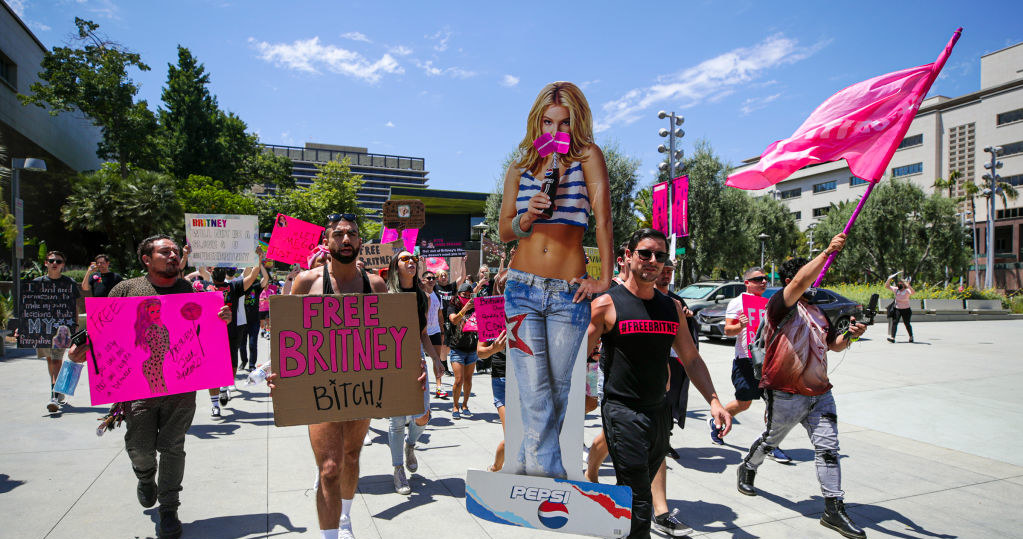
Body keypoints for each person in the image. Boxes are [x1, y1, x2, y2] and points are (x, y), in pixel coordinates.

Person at [266, 214, 424, 539]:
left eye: (352, 234)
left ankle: (346, 518)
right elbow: (286, 335)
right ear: (327, 242)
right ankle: (330, 535)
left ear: (360, 242)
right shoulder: (306, 283)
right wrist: (277, 374)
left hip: (361, 389)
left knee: (351, 456)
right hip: (318, 389)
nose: (346, 239)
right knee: (329, 468)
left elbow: (391, 336)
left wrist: (413, 369)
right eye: (338, 235)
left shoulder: (375, 286)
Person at [68, 235, 232, 539]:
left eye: (174, 251)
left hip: (182, 389)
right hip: (138, 388)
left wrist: (223, 317)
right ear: (147, 259)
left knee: (173, 447)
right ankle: (145, 476)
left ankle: (169, 508)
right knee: (140, 447)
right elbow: (103, 329)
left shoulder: (191, 291)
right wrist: (82, 346)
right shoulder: (126, 289)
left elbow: (206, 331)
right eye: (164, 251)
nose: (172, 255)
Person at [499, 81, 613, 478]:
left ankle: (529, 465)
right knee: (534, 392)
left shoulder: (589, 157)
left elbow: (603, 222)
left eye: (563, 124)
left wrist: (606, 278)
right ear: (536, 121)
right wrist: (526, 217)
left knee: (557, 392)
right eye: (547, 122)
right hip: (521, 288)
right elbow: (504, 232)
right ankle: (552, 481)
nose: (554, 132)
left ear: (576, 123)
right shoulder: (520, 165)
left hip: (570, 291)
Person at [587, 228, 731, 538]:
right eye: (645, 253)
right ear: (628, 256)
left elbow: (691, 359)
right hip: (622, 410)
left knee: (635, 493)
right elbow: (575, 358)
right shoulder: (606, 304)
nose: (653, 260)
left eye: (660, 256)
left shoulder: (672, 308)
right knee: (639, 498)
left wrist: (715, 401)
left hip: (659, 411)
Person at [735, 233, 868, 539]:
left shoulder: (819, 311)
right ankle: (748, 467)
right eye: (808, 275)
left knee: (828, 449)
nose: (815, 281)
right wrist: (827, 252)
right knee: (770, 439)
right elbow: (797, 285)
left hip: (820, 393)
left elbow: (833, 345)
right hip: (785, 391)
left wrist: (852, 335)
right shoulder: (780, 304)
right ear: (790, 280)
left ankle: (833, 508)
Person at [711, 266, 793, 463]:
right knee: (744, 403)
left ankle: (771, 444)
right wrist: (740, 325)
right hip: (746, 360)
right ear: (747, 282)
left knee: (772, 402)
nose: (763, 282)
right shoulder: (738, 303)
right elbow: (728, 331)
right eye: (758, 279)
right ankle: (717, 421)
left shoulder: (768, 303)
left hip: (769, 359)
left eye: (765, 279)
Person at [385, 250, 441, 495]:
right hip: (391, 360)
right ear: (395, 265)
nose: (411, 262)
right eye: (405, 258)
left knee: (423, 414)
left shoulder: (423, 297)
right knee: (397, 421)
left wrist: (436, 359)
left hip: (416, 358)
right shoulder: (385, 294)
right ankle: (398, 470)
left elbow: (423, 333)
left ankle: (411, 445)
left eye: (414, 259)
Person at [204, 258, 262, 417]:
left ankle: (225, 387)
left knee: (232, 362)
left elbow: (253, 276)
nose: (219, 268)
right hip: (210, 334)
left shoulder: (234, 286)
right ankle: (215, 404)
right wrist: (187, 257)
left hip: (232, 331)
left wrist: (258, 259)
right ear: (210, 270)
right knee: (213, 368)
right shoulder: (203, 287)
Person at [34, 250, 80, 413]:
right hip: (42, 327)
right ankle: (57, 387)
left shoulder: (69, 283)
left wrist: (74, 325)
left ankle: (53, 395)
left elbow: (74, 305)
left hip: (62, 328)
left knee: (56, 360)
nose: (55, 263)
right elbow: (29, 307)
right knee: (50, 360)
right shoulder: (37, 283)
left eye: (58, 261)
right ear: (46, 263)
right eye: (52, 260)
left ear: (63, 265)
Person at [478, 275, 508, 471]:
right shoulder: (491, 311)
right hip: (503, 378)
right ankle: (495, 468)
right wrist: (493, 350)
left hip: (529, 379)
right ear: (499, 288)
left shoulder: (532, 311)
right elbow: (480, 353)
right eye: (507, 285)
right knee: (513, 436)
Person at [446, 281, 479, 419]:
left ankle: (465, 404)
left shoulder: (476, 306)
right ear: (458, 294)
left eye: (469, 295)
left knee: (468, 379)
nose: (466, 297)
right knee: (458, 380)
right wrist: (465, 308)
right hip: (457, 348)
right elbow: (453, 320)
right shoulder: (453, 306)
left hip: (472, 348)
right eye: (464, 295)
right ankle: (455, 406)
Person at [421, 270, 448, 398]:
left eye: (433, 278)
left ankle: (439, 386)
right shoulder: (420, 295)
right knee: (419, 360)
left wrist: (442, 331)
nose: (431, 280)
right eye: (428, 278)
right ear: (423, 280)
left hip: (435, 331)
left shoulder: (438, 296)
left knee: (436, 359)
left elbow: (440, 315)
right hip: (421, 332)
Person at [240, 260, 270, 370]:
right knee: (242, 345)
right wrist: (249, 260)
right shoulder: (241, 285)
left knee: (253, 344)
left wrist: (260, 264)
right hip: (242, 320)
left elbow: (266, 278)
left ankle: (252, 365)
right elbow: (246, 273)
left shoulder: (256, 286)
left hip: (254, 320)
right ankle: (244, 362)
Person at [885, 272, 914, 343]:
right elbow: (887, 286)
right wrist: (889, 278)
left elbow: (913, 292)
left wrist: (907, 284)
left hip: (906, 309)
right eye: (899, 284)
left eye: (901, 284)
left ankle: (911, 337)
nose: (899, 285)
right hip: (898, 309)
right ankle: (892, 338)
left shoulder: (907, 291)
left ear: (904, 285)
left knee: (907, 323)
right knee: (895, 322)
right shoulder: (896, 290)